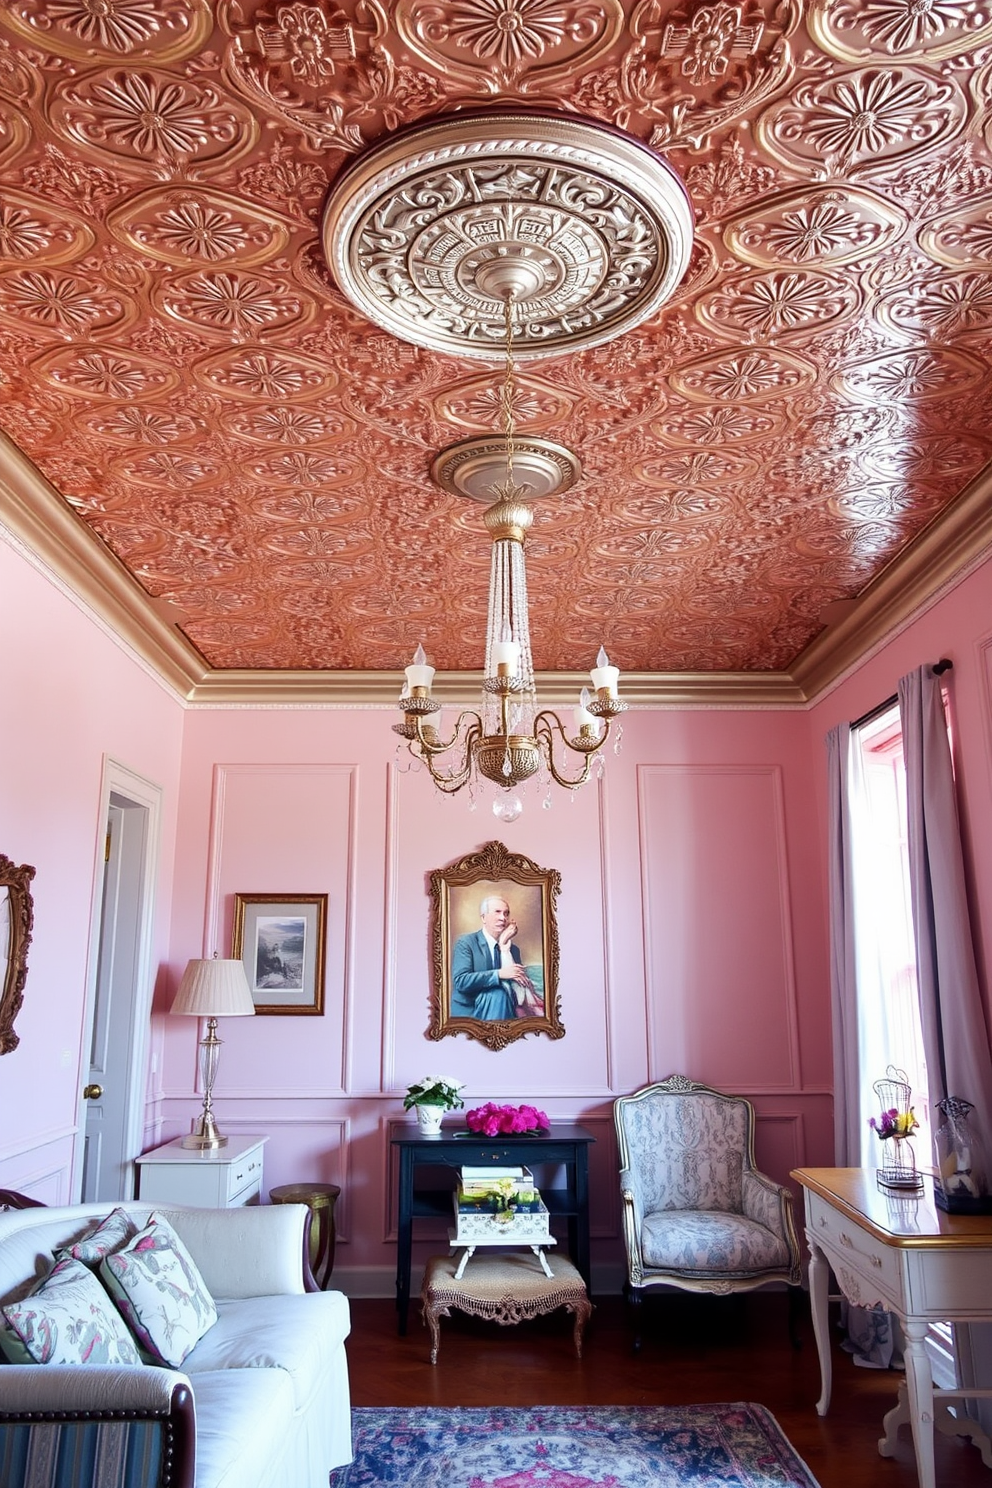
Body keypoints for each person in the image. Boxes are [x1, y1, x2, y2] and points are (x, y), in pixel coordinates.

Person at [451, 894, 543, 1020]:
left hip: (505, 1009)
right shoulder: (466, 943)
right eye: (497, 912)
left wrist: (505, 949)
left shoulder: (513, 950)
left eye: (506, 914)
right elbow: (461, 981)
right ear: (483, 917)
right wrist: (499, 974)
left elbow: (517, 989)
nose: (503, 918)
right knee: (498, 994)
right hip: (471, 1011)